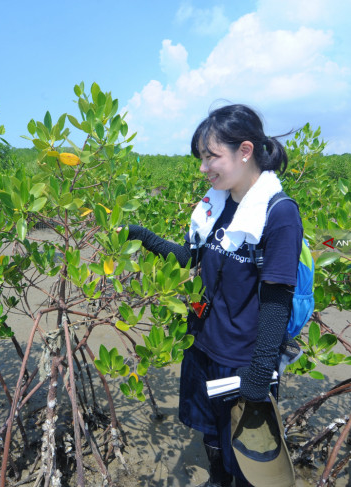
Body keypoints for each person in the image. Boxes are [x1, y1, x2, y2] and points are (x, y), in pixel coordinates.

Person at [124, 104, 302, 486]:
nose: (204, 168)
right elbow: (192, 257)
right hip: (203, 345)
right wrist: (145, 237)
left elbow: (276, 299)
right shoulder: (218, 203)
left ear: (245, 151)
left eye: (211, 157)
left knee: (245, 455)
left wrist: (259, 374)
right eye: (201, 158)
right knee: (211, 437)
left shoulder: (279, 212)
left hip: (241, 361)